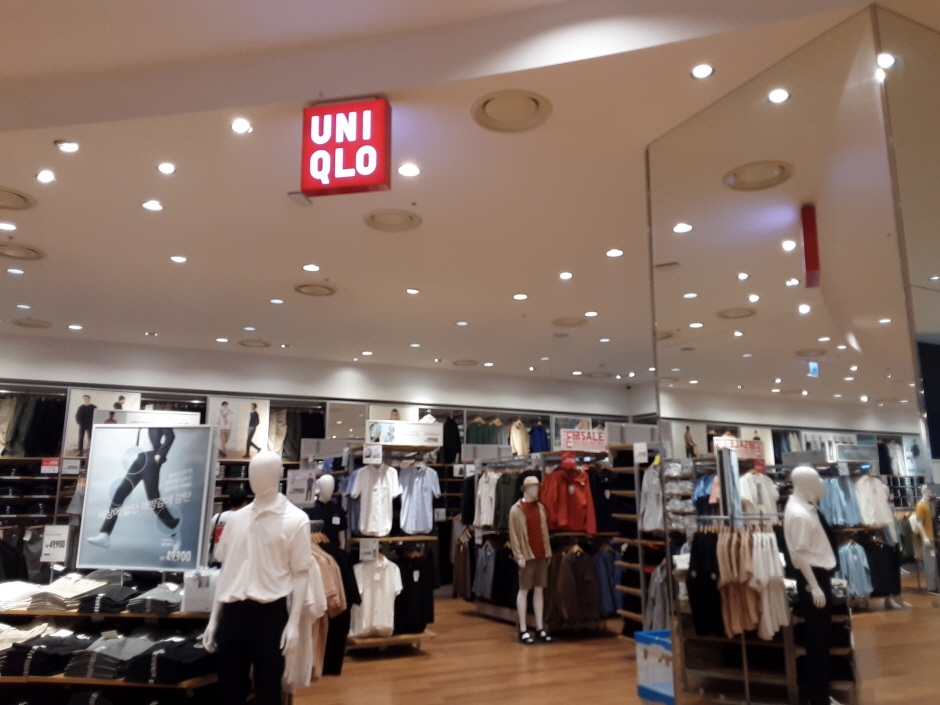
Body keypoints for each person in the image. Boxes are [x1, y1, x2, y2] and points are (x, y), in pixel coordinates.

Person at [85, 428, 180, 549]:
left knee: (153, 499)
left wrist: (160, 454)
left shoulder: (159, 421)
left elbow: (170, 436)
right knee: (119, 493)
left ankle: (174, 530)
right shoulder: (142, 424)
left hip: (151, 458)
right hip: (139, 459)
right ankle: (105, 535)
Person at [209, 488, 248, 563]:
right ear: (245, 503)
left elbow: (207, 539)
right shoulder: (247, 520)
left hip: (217, 562)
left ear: (229, 501)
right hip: (237, 562)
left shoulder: (217, 517)